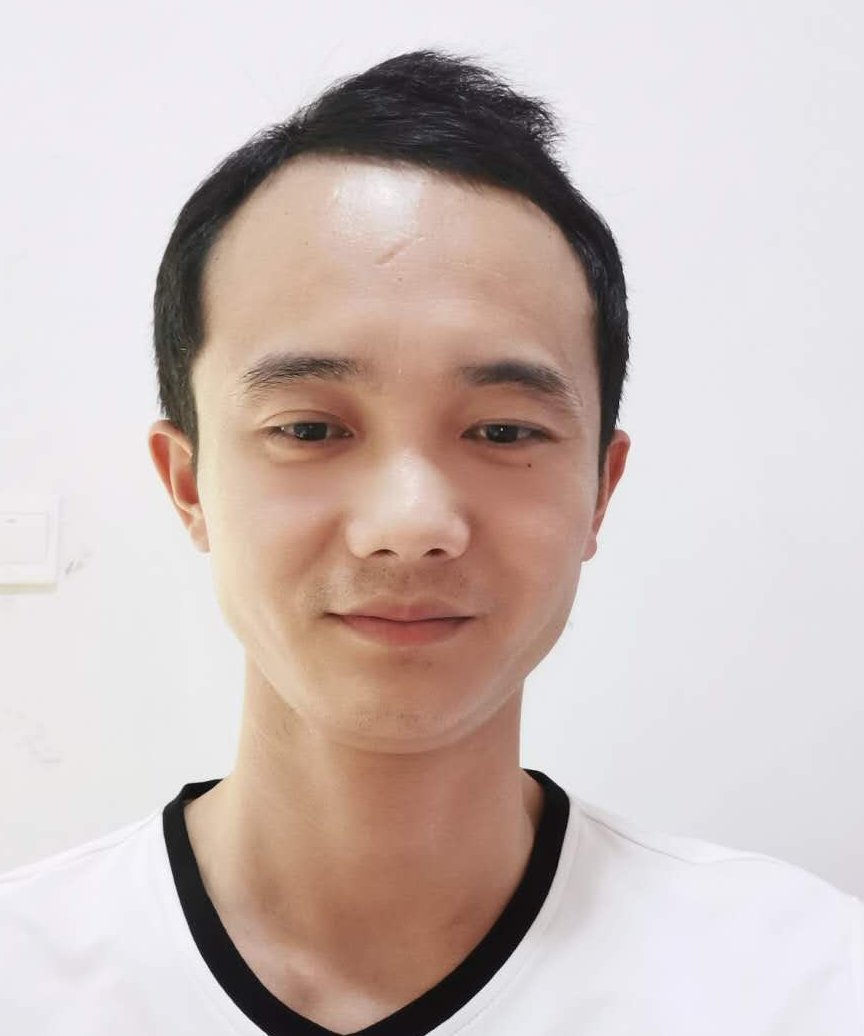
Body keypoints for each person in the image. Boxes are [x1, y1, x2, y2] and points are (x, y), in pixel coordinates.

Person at [1, 48, 861, 1036]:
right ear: (188, 483)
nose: (410, 526)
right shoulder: (27, 978)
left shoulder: (803, 985)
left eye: (502, 430)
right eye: (309, 428)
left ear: (600, 489)